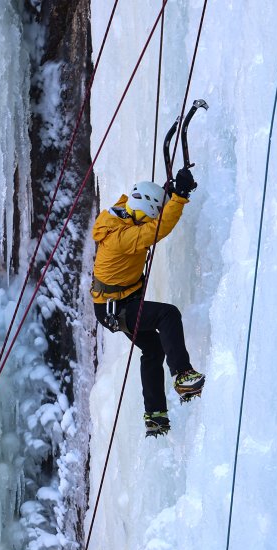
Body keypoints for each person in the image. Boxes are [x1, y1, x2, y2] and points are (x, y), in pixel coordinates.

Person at [91, 171, 205, 438]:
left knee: (153, 350)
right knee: (168, 315)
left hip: (115, 303)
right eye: (151, 214)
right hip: (116, 309)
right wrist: (180, 198)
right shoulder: (122, 237)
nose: (151, 219)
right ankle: (183, 375)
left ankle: (155, 416)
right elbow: (156, 230)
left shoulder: (120, 211)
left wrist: (166, 195)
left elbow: (146, 214)